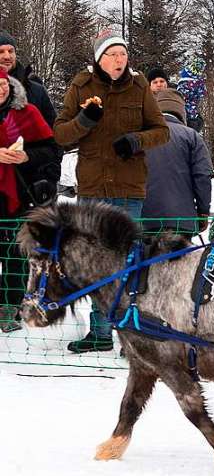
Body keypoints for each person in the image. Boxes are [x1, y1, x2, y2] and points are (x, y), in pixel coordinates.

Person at [53, 28, 170, 353]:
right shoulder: (81, 86)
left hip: (130, 188)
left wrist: (136, 140)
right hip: (92, 189)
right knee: (96, 260)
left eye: (122, 54)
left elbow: (162, 131)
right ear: (99, 59)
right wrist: (85, 120)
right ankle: (100, 332)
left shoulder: (140, 86)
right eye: (112, 55)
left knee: (127, 261)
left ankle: (130, 335)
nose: (119, 60)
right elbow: (60, 134)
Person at [0, 68, 61, 331]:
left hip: (19, 193)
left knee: (14, 251)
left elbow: (50, 148)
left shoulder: (26, 113)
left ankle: (9, 304)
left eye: (3, 83)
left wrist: (26, 157)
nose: (1, 89)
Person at [141, 89, 213, 237]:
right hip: (182, 221)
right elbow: (203, 176)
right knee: (180, 260)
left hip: (143, 220)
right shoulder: (192, 136)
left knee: (147, 259)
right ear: (181, 111)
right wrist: (203, 212)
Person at [0, 30, 58, 127]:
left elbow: (54, 131)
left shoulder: (36, 91)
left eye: (11, 51)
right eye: (1, 51)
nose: (7, 56)